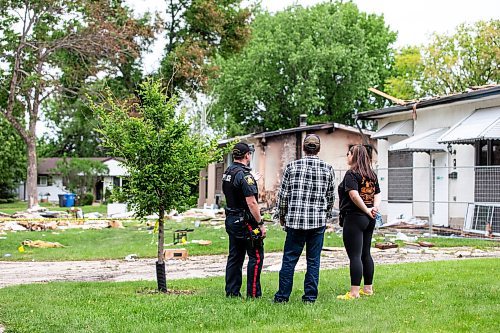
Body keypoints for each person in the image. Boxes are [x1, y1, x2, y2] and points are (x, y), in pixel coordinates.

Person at [273, 134, 335, 303]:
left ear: (304, 148)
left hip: (294, 222)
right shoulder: (327, 168)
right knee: (313, 261)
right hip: (317, 222)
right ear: (319, 149)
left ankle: (282, 297)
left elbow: (283, 196)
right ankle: (310, 297)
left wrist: (282, 217)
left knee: (289, 260)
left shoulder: (291, 167)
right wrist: (326, 215)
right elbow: (330, 197)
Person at [222, 141, 267, 298]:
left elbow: (236, 190)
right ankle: (254, 294)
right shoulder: (245, 175)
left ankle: (232, 292)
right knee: (256, 254)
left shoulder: (229, 172)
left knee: (235, 255)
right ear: (247, 155)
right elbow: (251, 202)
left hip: (232, 221)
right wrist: (260, 224)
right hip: (247, 224)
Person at [337, 144, 381, 300]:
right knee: (365, 254)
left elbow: (354, 195)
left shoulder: (351, 174)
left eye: (348, 153)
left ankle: (354, 292)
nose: (347, 156)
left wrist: (366, 209)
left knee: (355, 256)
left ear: (353, 156)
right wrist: (373, 209)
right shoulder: (371, 175)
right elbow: (377, 194)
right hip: (369, 219)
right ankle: (368, 289)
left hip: (355, 217)